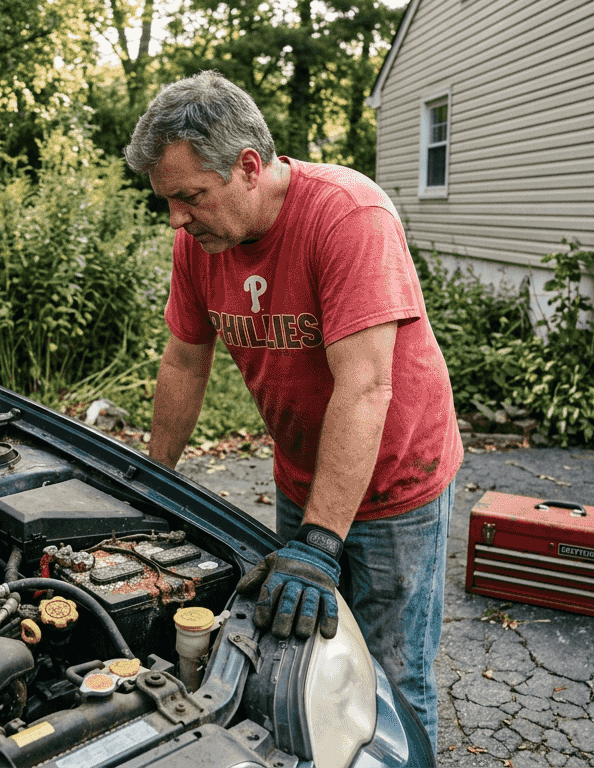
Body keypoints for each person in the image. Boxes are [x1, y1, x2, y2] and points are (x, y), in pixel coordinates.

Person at [123, 70, 463, 746]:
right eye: (169, 201)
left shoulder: (348, 216)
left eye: (189, 196)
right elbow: (184, 360)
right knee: (298, 662)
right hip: (303, 474)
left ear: (248, 166)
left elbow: (364, 386)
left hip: (398, 486)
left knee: (392, 684)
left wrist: (320, 543)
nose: (177, 219)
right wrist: (151, 480)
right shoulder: (199, 242)